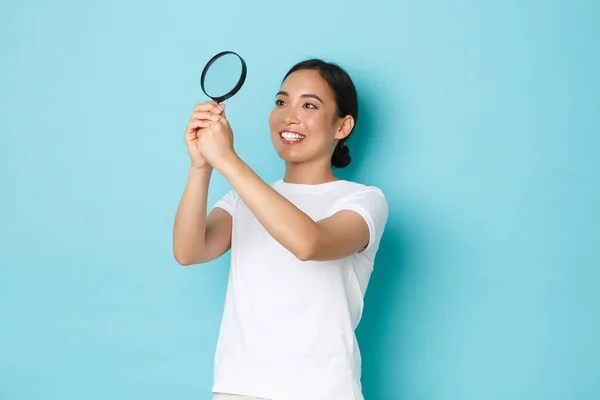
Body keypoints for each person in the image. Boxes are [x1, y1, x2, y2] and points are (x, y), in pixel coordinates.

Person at [173, 59, 389, 400]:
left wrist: (228, 160)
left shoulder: (363, 201)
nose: (289, 115)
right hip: (237, 390)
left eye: (309, 105)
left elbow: (309, 244)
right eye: (281, 102)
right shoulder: (241, 199)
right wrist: (201, 166)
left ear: (343, 126)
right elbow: (188, 251)